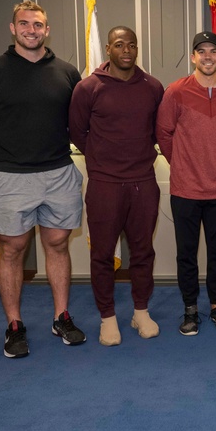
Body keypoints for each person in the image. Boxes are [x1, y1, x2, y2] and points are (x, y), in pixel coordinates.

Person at [0, 0, 85, 358]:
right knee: (12, 250)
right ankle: (14, 325)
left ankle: (61, 316)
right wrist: (8, 153)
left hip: (60, 174)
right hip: (12, 177)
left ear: (47, 30)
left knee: (58, 245)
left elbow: (78, 124)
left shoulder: (66, 72)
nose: (31, 30)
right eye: (24, 24)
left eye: (38, 24)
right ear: (13, 28)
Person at [69, 26, 164, 346]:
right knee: (102, 254)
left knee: (143, 252)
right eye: (120, 45)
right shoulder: (88, 87)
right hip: (105, 185)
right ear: (108, 49)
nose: (127, 50)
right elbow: (77, 132)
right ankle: (107, 318)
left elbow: (156, 130)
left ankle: (140, 311)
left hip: (143, 183)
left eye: (132, 45)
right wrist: (102, 158)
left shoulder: (153, 86)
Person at [156, 31, 216, 336]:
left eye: (213, 51)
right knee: (187, 253)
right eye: (201, 51)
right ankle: (190, 308)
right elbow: (163, 133)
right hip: (185, 190)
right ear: (193, 56)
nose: (207, 56)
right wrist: (180, 164)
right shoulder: (176, 91)